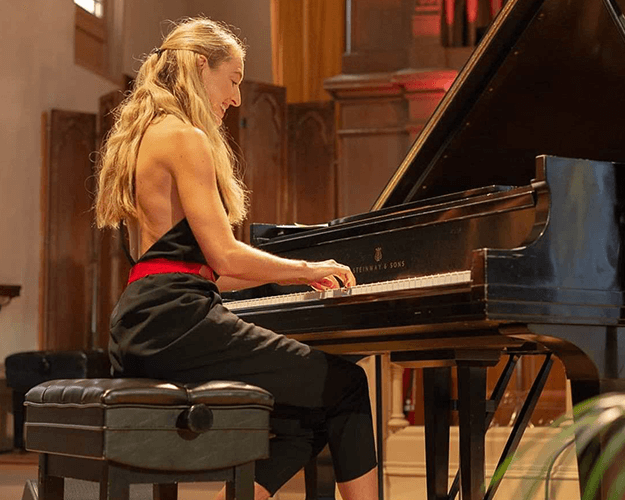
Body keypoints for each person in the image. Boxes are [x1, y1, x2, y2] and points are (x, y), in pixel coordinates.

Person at [94, 17, 378, 500]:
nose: (236, 97)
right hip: (176, 323)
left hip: (142, 322)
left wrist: (276, 280)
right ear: (202, 67)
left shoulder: (145, 137)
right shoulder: (186, 137)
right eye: (234, 80)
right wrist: (309, 269)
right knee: (347, 383)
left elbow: (191, 270)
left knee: (300, 413)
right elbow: (225, 257)